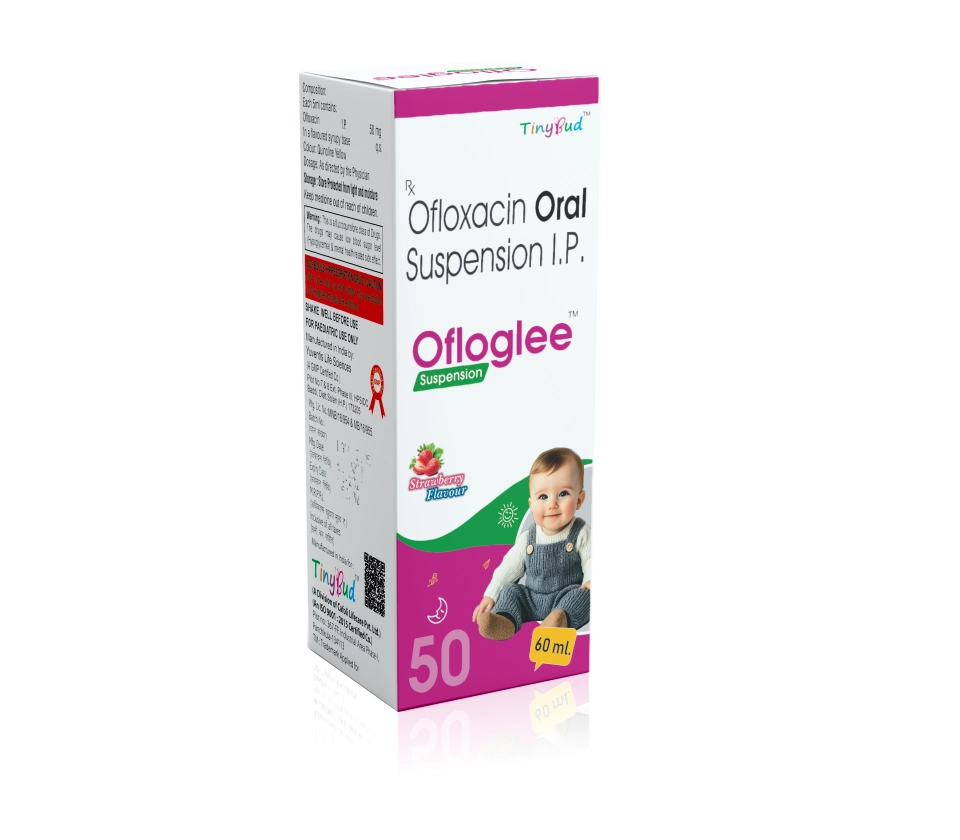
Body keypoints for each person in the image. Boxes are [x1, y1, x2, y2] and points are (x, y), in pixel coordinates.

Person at [472, 447, 591, 640]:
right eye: (543, 497)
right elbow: (508, 568)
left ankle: (558, 620)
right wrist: (491, 595)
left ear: (579, 500)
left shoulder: (581, 533)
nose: (552, 504)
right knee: (511, 591)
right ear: (531, 504)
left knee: (584, 595)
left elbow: (592, 558)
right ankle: (504, 621)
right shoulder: (527, 538)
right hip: (532, 599)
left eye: (563, 494)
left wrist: (590, 579)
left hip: (565, 596)